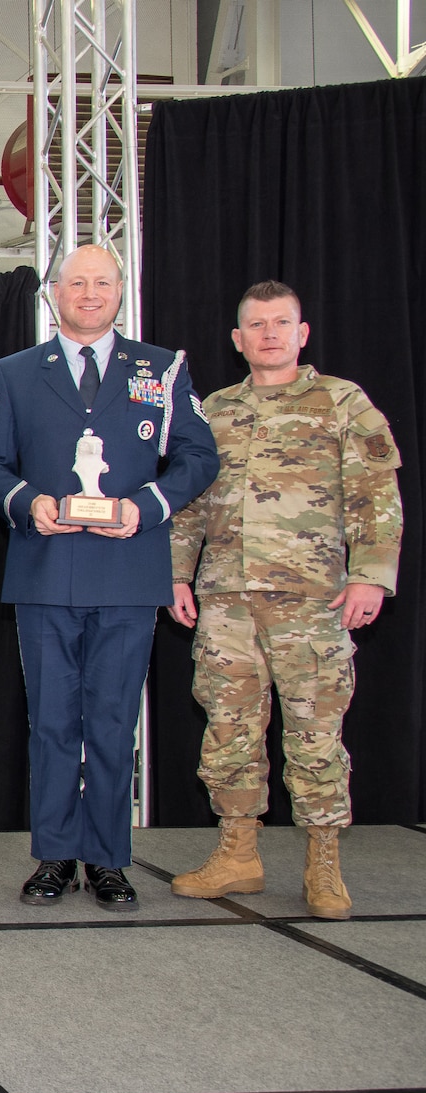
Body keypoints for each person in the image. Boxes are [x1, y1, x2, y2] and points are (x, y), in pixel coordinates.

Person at [0, 244, 218, 910]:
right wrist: (28, 501)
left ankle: (109, 859)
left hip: (128, 570)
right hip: (46, 572)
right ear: (54, 292)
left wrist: (146, 507)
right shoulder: (16, 372)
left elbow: (199, 457)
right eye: (76, 282)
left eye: (102, 282)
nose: (89, 293)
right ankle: (54, 854)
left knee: (111, 722)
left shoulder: (162, 369)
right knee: (53, 720)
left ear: (120, 289)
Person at [167, 281, 401, 920]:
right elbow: (190, 502)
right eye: (255, 325)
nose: (268, 333)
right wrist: (177, 574)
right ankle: (238, 855)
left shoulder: (341, 402)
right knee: (230, 730)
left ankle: (323, 862)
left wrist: (371, 576)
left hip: (313, 601)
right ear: (238, 340)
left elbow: (375, 494)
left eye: (281, 322)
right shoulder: (212, 410)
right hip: (226, 601)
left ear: (301, 333)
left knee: (315, 734)